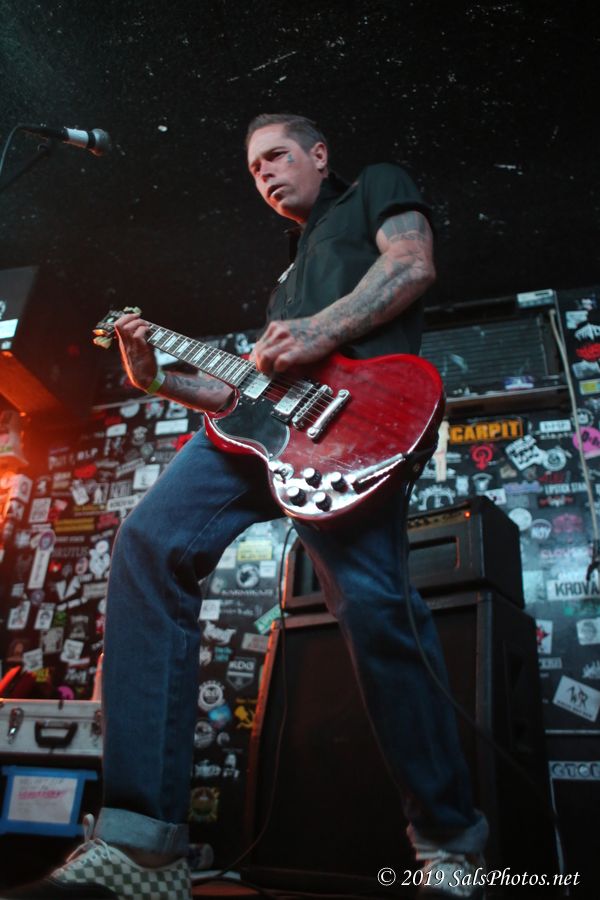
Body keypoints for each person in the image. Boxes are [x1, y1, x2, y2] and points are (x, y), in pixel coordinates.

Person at [3, 114, 487, 900]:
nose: (264, 175)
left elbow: (411, 264)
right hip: (261, 435)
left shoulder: (375, 189)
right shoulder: (287, 276)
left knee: (375, 613)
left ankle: (452, 843)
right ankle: (142, 847)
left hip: (353, 430)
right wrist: (154, 376)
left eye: (276, 157)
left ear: (319, 154)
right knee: (149, 544)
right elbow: (233, 394)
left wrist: (317, 330)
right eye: (254, 168)